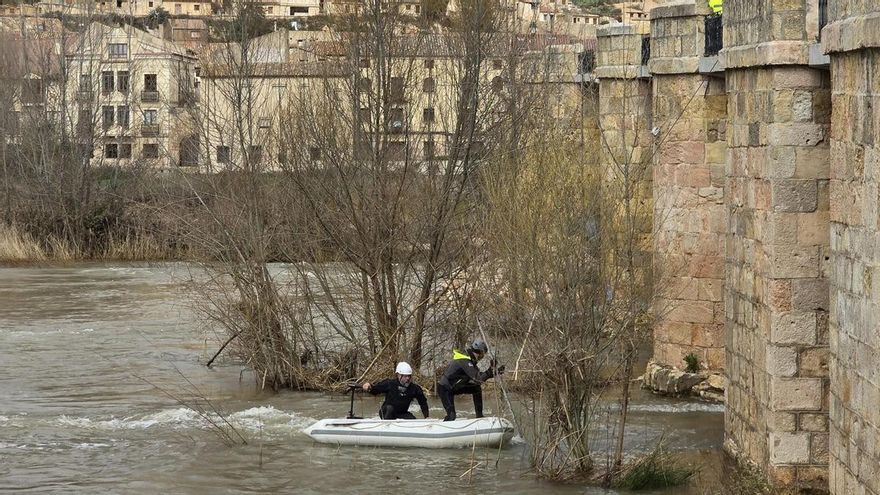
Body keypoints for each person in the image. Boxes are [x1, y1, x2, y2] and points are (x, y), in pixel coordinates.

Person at [437, 339, 504, 421]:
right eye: (482, 355)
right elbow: (478, 378)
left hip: (454, 387)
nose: (482, 357)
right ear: (478, 352)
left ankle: (479, 416)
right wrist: (490, 370)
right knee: (451, 416)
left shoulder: (470, 361)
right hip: (445, 389)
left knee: (476, 388)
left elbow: (480, 378)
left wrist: (496, 372)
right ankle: (443, 427)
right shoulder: (464, 361)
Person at [362, 362, 429, 420]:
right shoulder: (390, 383)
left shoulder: (414, 388)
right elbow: (375, 390)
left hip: (402, 413)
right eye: (405, 376)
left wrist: (426, 417)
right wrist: (369, 387)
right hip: (386, 412)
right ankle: (387, 427)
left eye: (409, 376)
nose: (408, 378)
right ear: (399, 375)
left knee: (412, 419)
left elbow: (423, 402)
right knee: (390, 408)